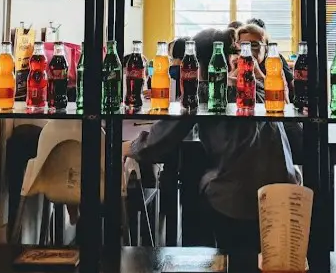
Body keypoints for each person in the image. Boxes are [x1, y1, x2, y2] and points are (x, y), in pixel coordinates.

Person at [127, 28, 301, 251]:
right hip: (284, 192)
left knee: (201, 187)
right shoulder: (256, 85)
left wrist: (126, 148)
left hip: (239, 200)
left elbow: (157, 143)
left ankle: (196, 255)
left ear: (196, 65)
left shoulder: (204, 92)